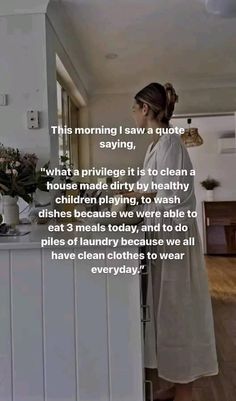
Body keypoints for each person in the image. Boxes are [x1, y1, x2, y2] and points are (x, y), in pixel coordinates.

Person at [118, 82, 219, 401]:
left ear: (145, 109)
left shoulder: (171, 144)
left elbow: (173, 194)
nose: (133, 115)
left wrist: (136, 195)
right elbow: (155, 190)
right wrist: (134, 196)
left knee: (178, 311)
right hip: (162, 237)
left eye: (134, 109)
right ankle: (173, 383)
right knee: (166, 311)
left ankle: (185, 388)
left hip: (174, 238)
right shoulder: (156, 145)